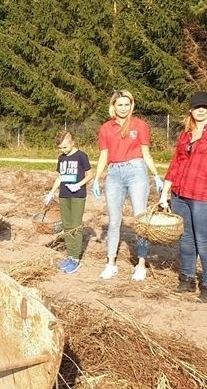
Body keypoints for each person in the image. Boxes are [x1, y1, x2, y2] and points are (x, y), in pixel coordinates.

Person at [91, 89, 163, 281]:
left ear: (132, 105)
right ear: (113, 106)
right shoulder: (106, 128)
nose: (123, 108)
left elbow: (146, 153)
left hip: (136, 171)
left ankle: (141, 264)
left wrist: (156, 175)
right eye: (119, 104)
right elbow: (104, 156)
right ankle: (111, 264)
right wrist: (97, 178)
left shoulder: (140, 125)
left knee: (140, 220)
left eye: (127, 104)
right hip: (114, 173)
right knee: (114, 221)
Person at [159, 91, 207, 301]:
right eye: (197, 107)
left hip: (202, 195)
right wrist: (164, 192)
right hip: (180, 193)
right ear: (191, 110)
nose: (201, 110)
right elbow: (175, 164)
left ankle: (206, 284)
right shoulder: (185, 134)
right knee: (186, 238)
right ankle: (187, 278)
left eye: (205, 107)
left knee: (203, 240)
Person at [43, 130, 93, 274]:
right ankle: (69, 255)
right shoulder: (62, 158)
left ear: (73, 142)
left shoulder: (81, 156)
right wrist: (51, 192)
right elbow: (60, 177)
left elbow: (90, 175)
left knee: (75, 226)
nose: (63, 150)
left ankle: (76, 258)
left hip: (77, 196)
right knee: (67, 225)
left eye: (65, 147)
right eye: (60, 148)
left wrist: (79, 185)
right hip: (64, 195)